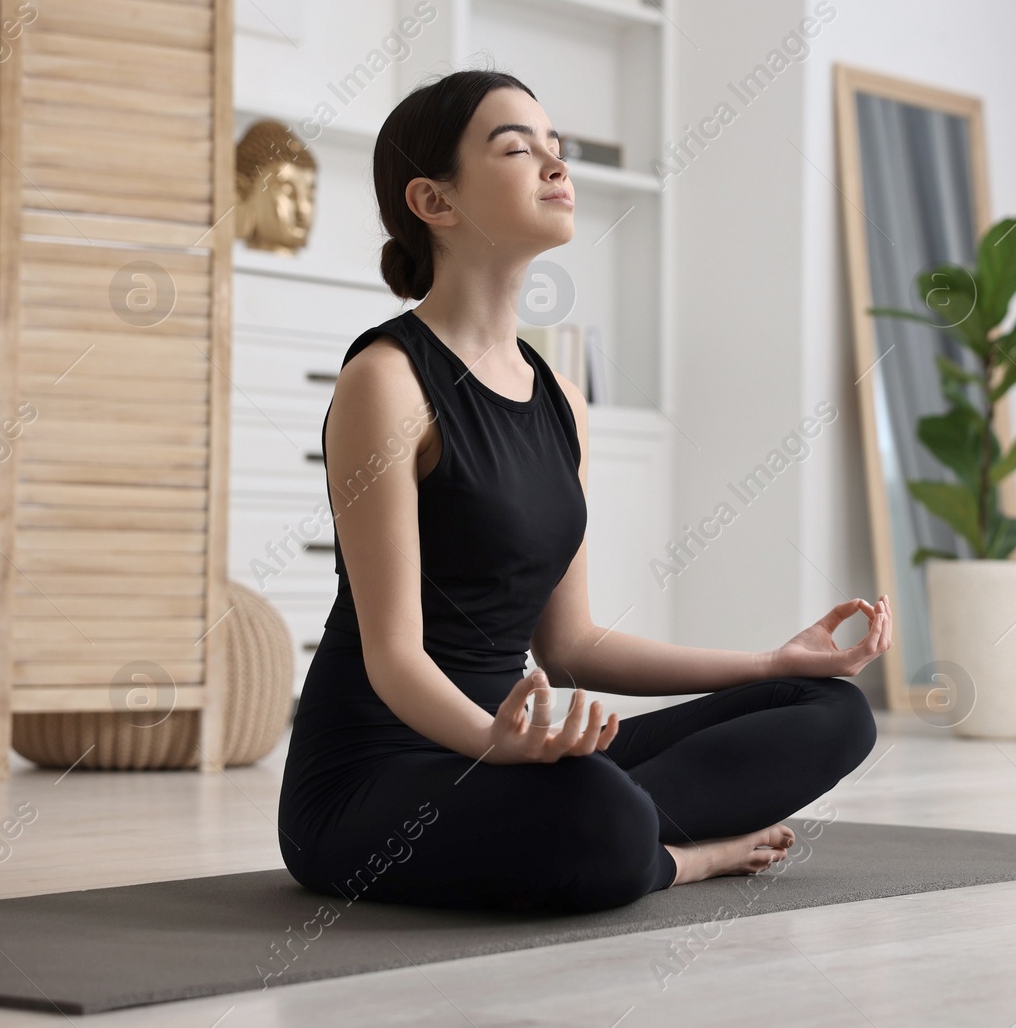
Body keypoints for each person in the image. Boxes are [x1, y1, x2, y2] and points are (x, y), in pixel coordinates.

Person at [277, 69, 891, 914]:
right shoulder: (386, 380)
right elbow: (393, 659)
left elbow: (570, 646)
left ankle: (631, 837)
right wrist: (497, 745)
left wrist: (771, 661)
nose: (555, 166)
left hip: (518, 755)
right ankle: (679, 858)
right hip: (374, 777)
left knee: (828, 709)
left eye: (556, 149)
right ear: (434, 200)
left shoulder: (561, 398)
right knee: (595, 812)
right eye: (517, 148)